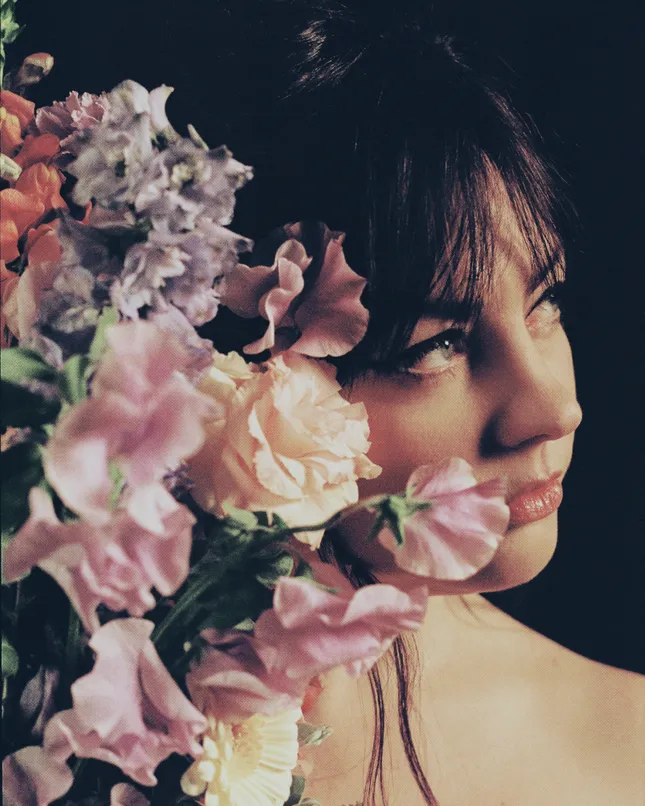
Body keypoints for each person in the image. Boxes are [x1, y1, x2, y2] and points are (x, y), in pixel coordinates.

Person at [204, 3, 645, 804]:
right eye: (432, 345)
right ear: (240, 379)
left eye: (544, 302)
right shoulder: (76, 726)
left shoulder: (624, 744)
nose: (552, 409)